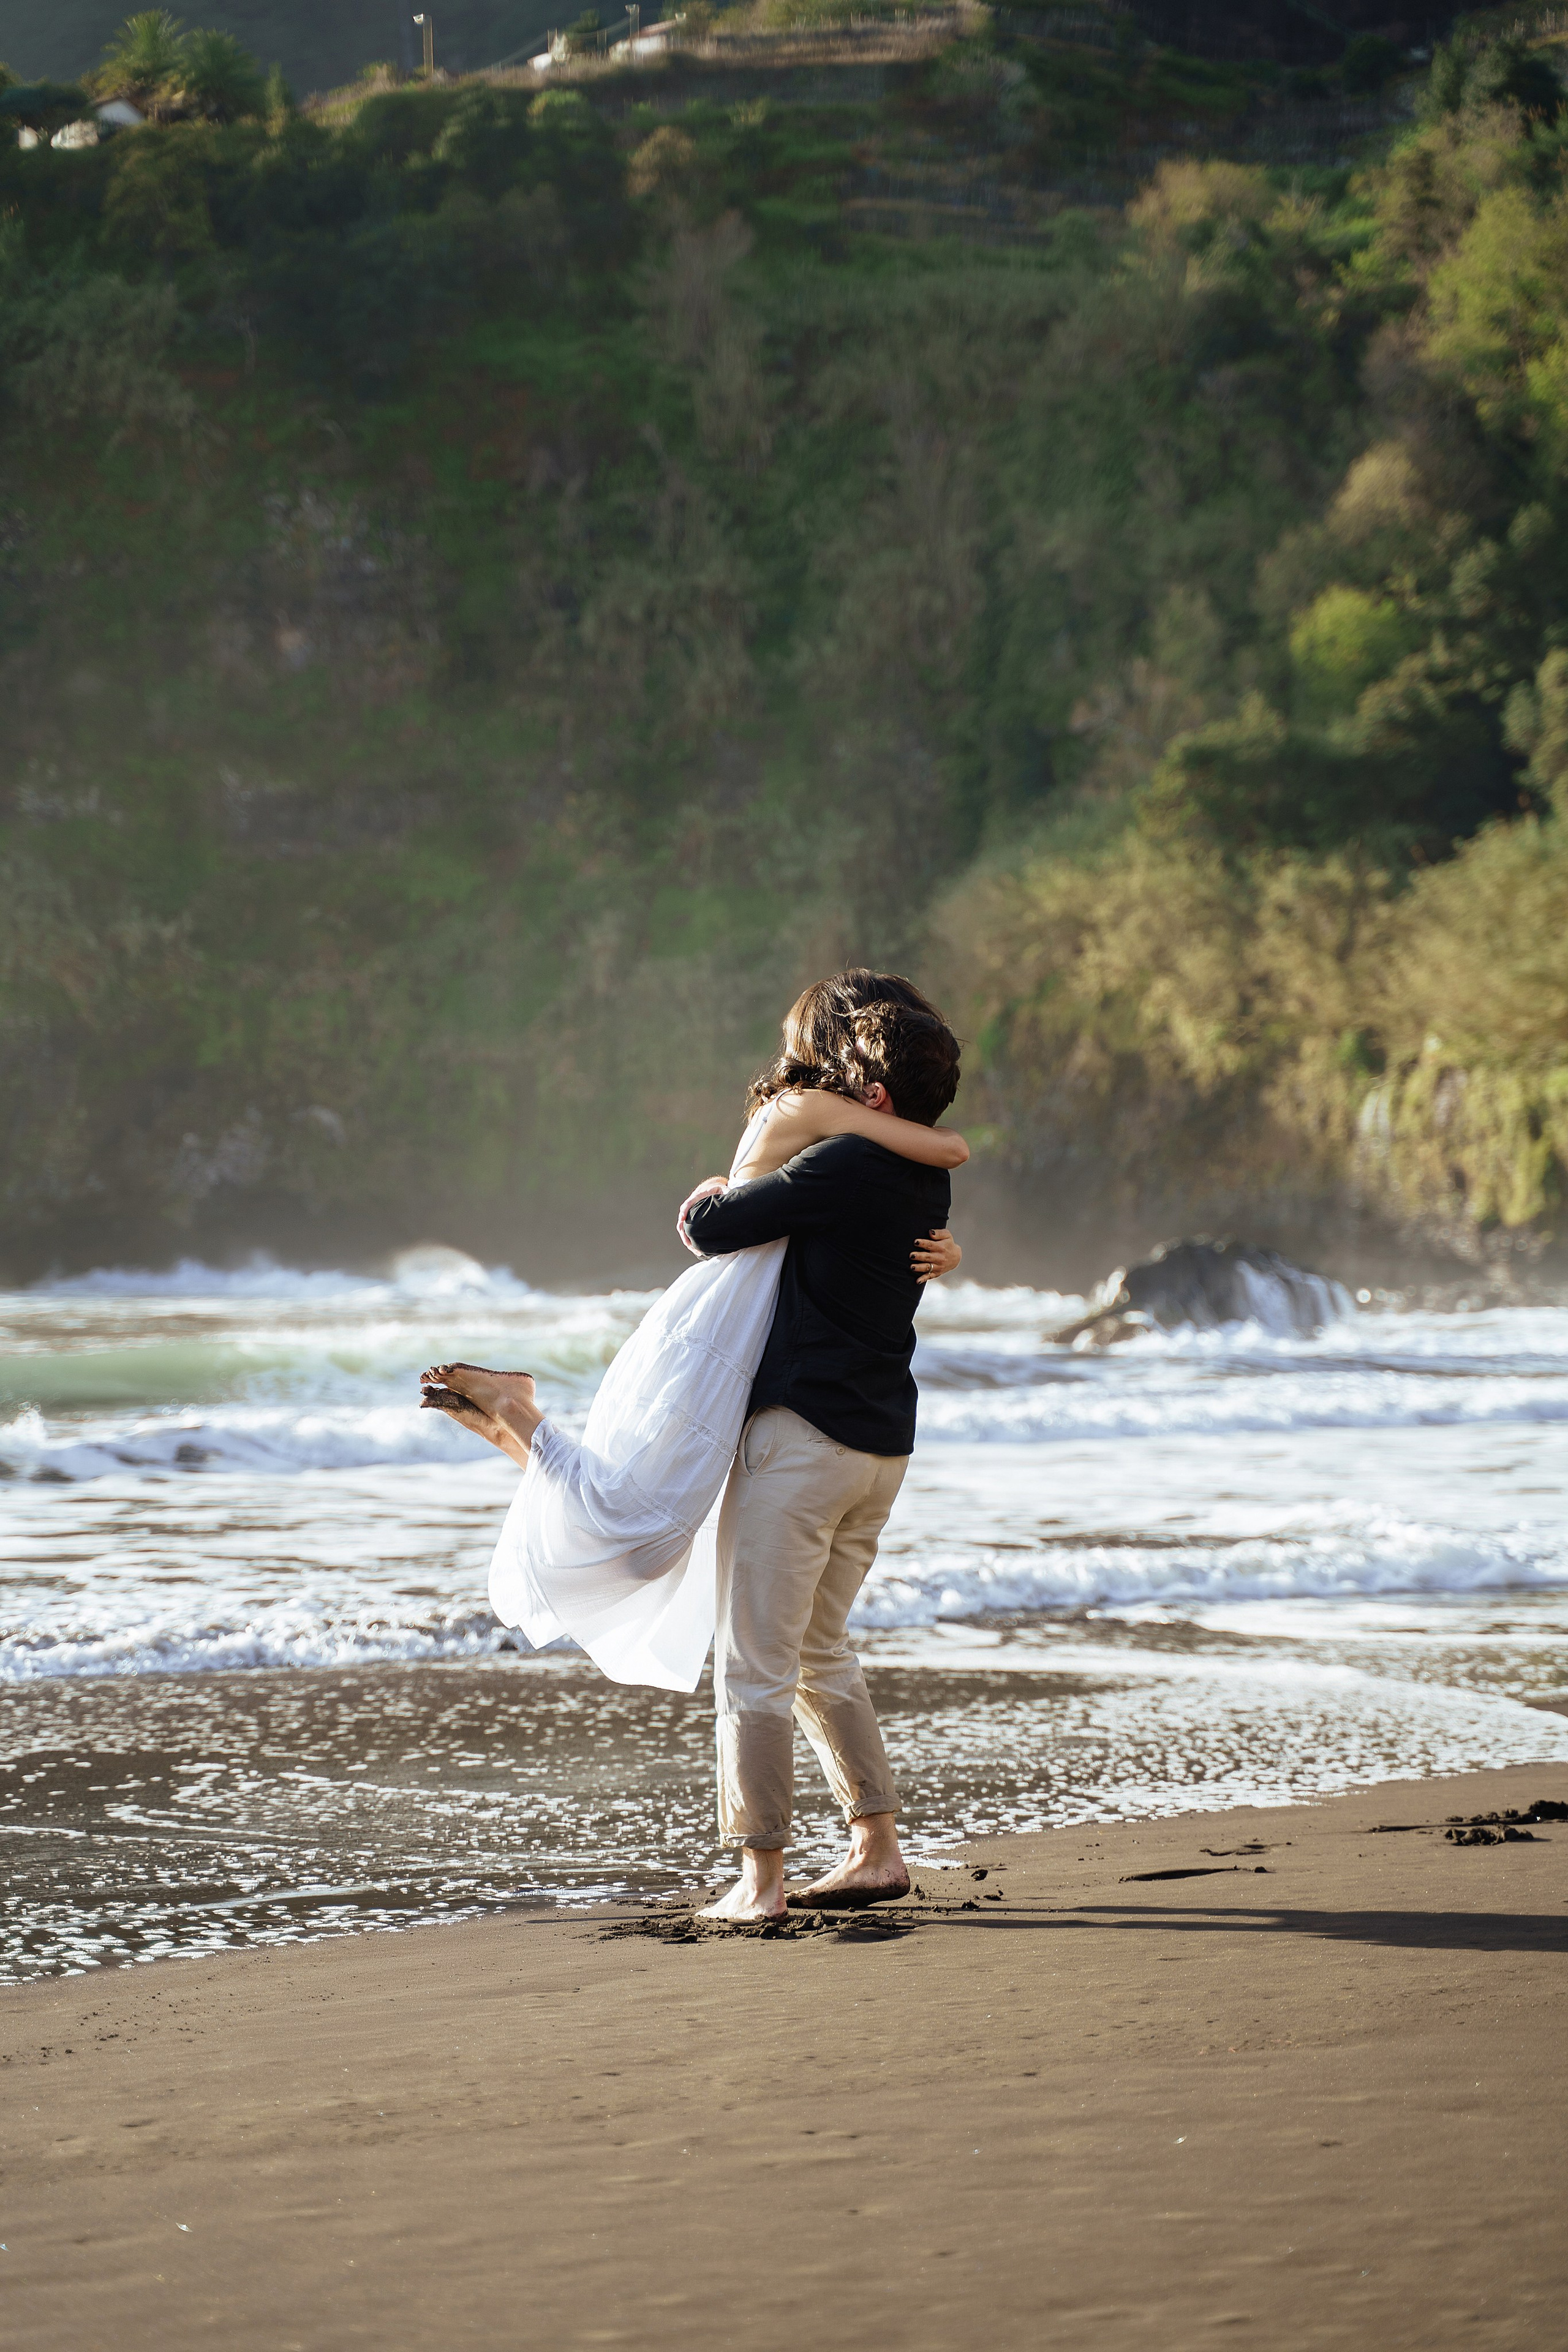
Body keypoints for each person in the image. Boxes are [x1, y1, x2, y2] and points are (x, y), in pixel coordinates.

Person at [419, 971, 965, 1703]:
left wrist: (943, 1244)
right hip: (724, 1314)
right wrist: (714, 1197)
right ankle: (523, 1420)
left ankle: (523, 1422)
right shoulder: (813, 1108)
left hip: (752, 1319)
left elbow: (902, 1175)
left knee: (649, 1529)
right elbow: (942, 1147)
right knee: (644, 1530)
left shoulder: (842, 1127)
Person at [677, 989, 962, 1921]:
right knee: (817, 1647)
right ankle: (875, 1848)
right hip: (879, 1449)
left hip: (802, 1440)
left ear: (873, 1096)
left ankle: (759, 1878)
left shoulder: (842, 1163)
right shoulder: (926, 1177)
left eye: (849, 1079)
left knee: (754, 1661)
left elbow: (711, 1231)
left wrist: (711, 1189)